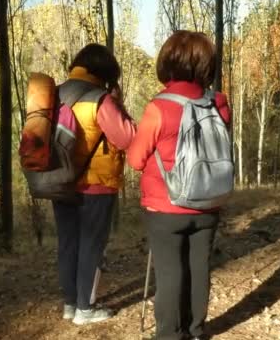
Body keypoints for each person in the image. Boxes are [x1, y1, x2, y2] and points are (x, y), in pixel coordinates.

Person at [127, 31, 231, 340]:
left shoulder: (159, 107)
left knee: (171, 272)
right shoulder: (219, 103)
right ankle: (196, 331)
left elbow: (135, 159)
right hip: (210, 199)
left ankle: (169, 335)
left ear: (169, 62)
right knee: (199, 268)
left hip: (166, 205)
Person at [52, 43, 136, 325]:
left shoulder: (57, 93)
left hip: (61, 181)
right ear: (104, 72)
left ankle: (70, 304)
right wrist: (119, 104)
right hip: (95, 184)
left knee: (68, 244)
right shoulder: (100, 99)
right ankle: (85, 310)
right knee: (91, 245)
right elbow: (127, 138)